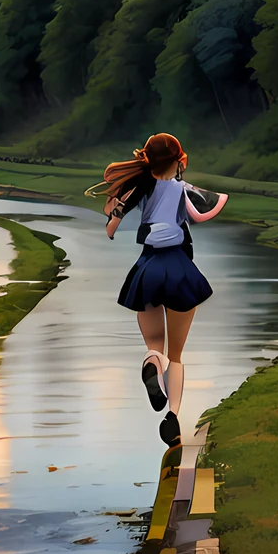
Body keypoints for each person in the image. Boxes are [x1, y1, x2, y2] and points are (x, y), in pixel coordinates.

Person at [93, 132, 228, 447]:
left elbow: (111, 216)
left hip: (148, 268)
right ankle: (173, 418)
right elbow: (206, 209)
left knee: (155, 345)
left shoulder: (141, 189)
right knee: (177, 355)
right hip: (179, 269)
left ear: (147, 162)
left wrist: (113, 224)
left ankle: (152, 364)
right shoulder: (184, 190)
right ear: (181, 160)